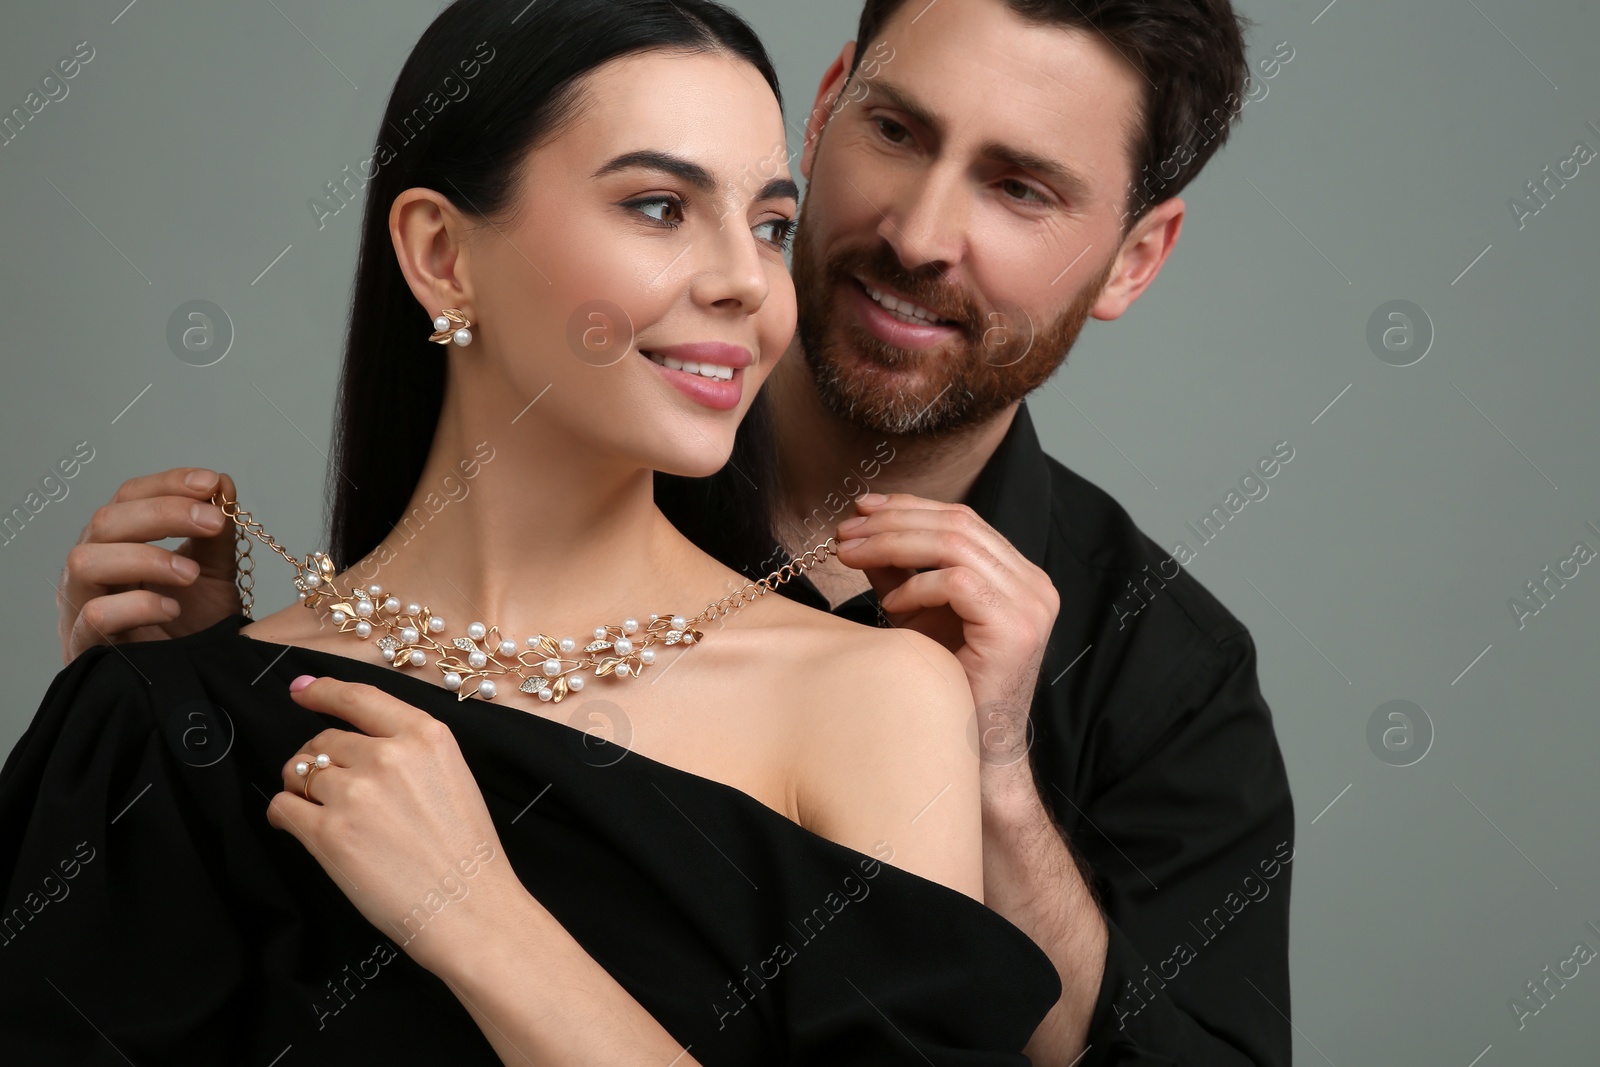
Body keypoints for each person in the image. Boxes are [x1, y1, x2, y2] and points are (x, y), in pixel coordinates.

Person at [47, 0, 1297, 1063]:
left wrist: (998, 792)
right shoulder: (180, 708)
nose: (917, 234)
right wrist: (205, 718)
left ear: (1134, 260)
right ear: (826, 111)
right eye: (896, 132)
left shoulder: (1131, 680)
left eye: (1020, 187)